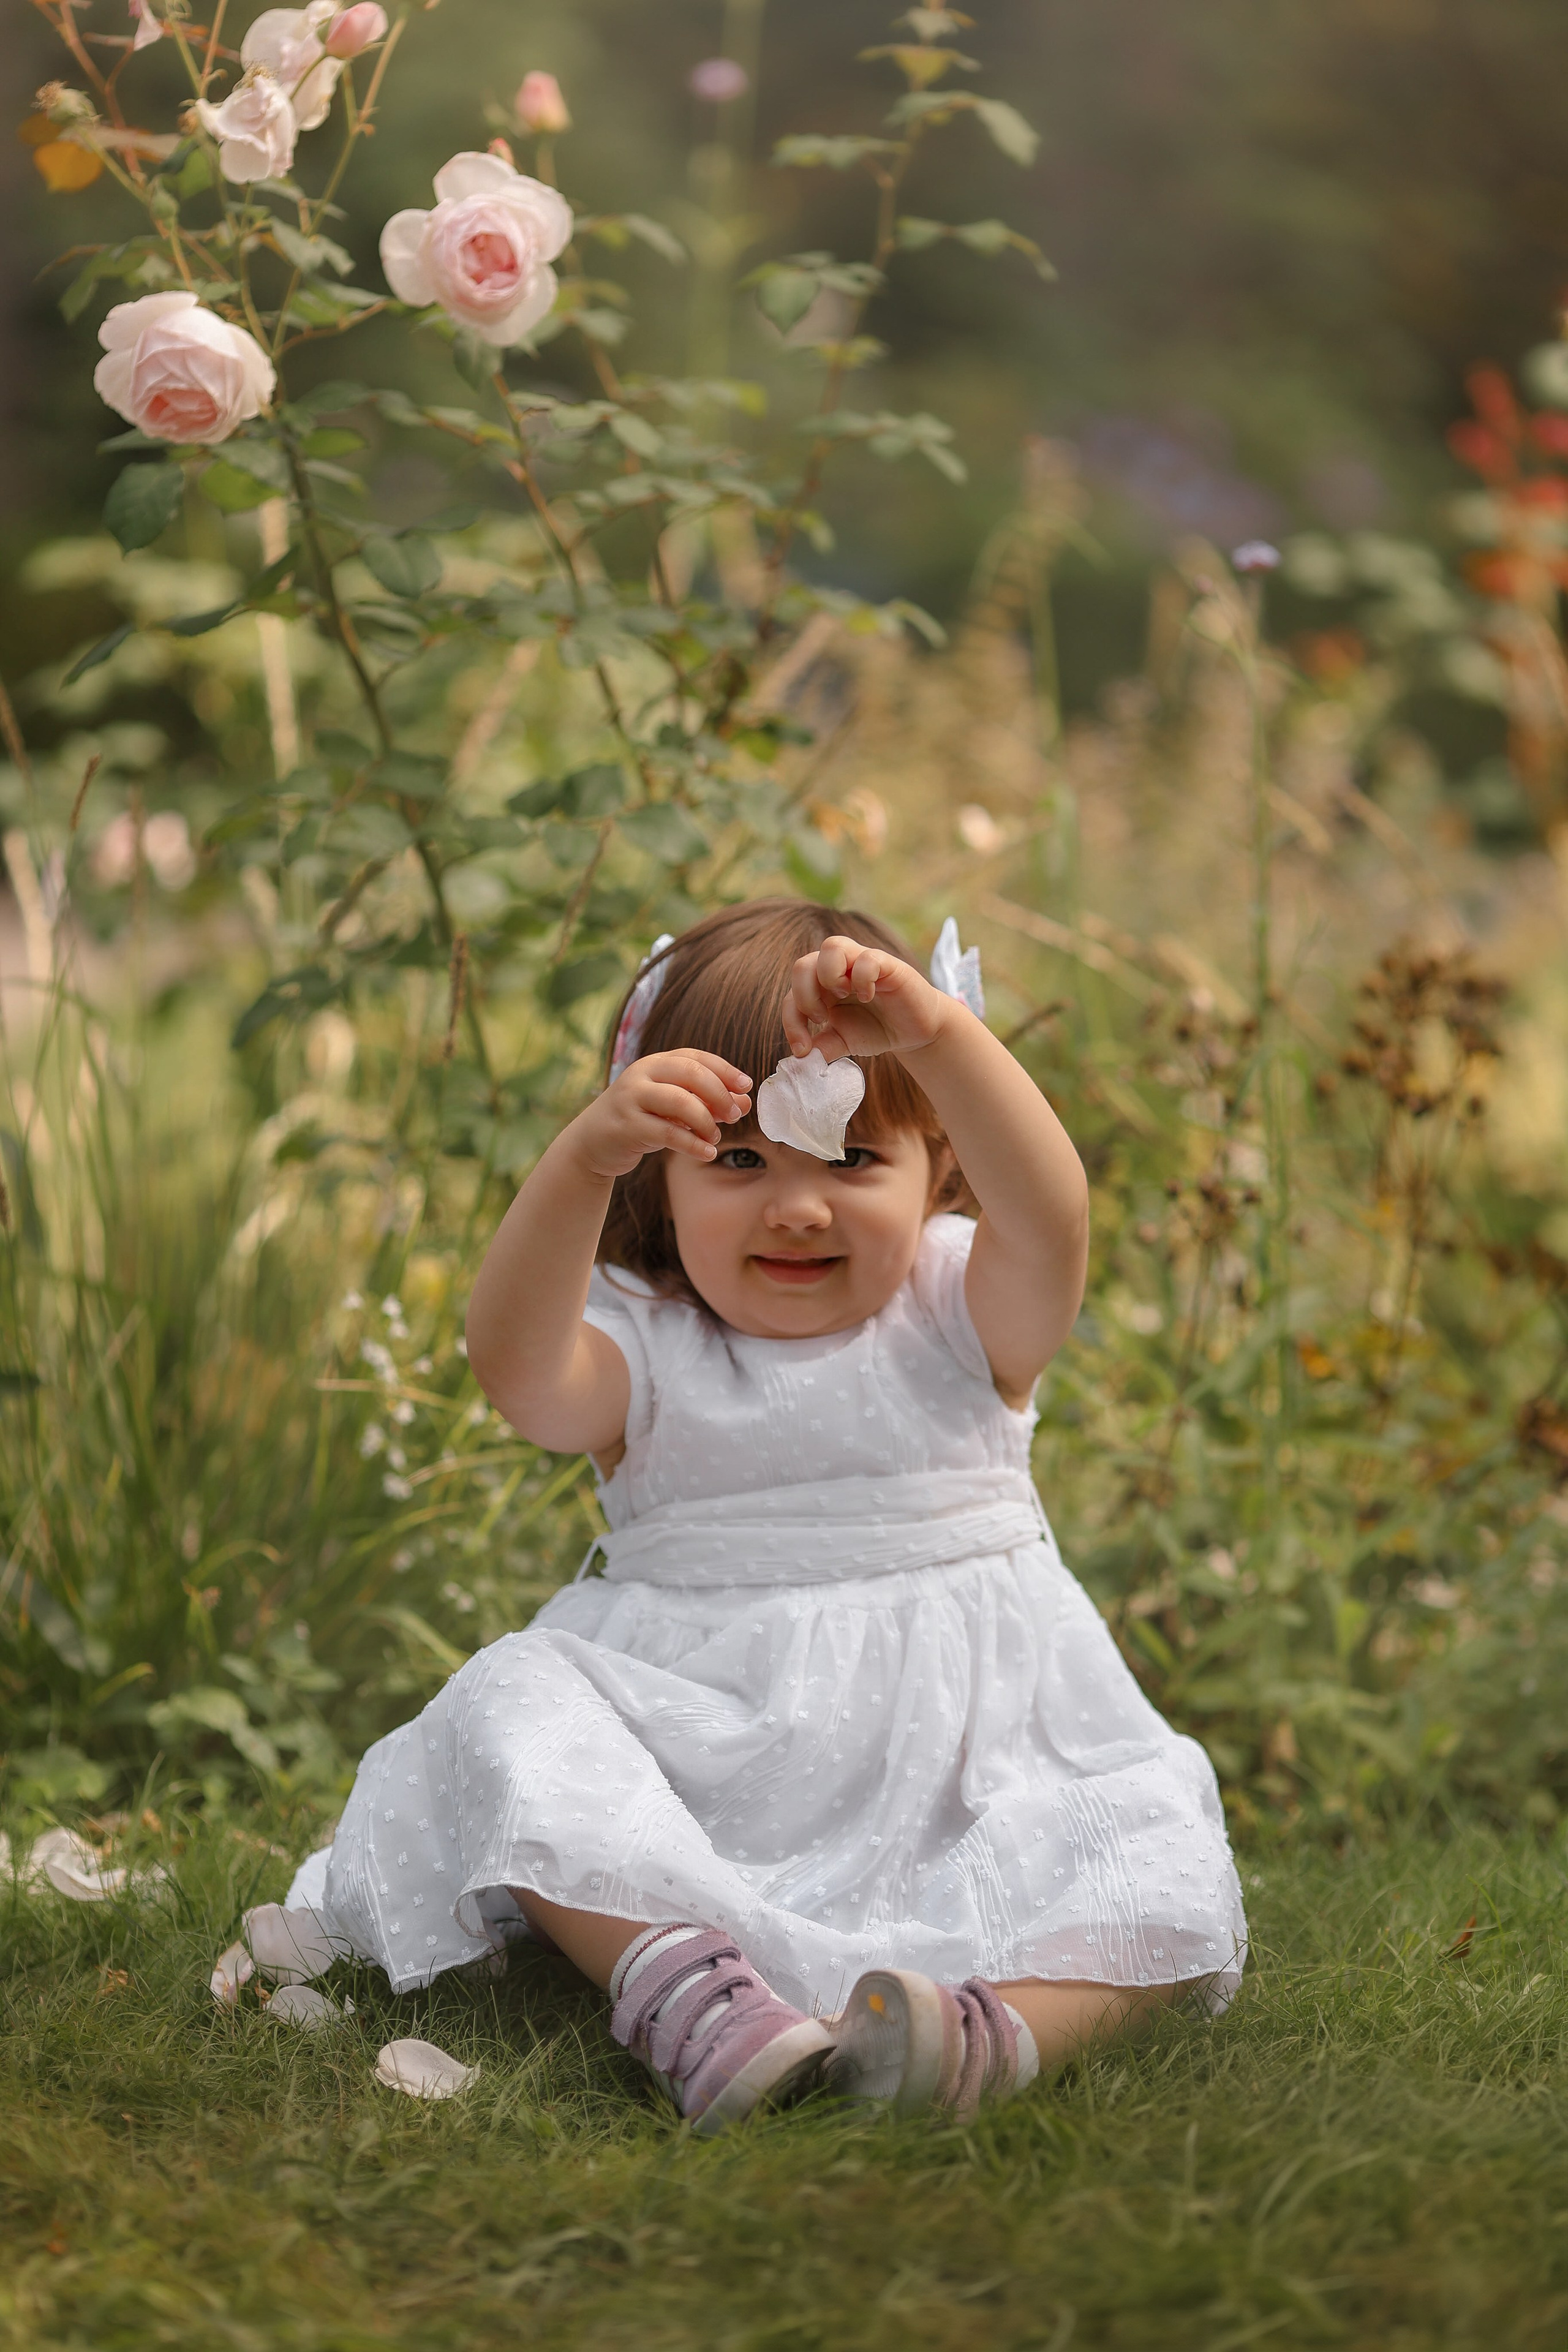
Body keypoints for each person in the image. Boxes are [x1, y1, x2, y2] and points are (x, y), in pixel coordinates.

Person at [292, 899, 1246, 2134]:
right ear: (665, 1177)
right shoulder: (648, 1348)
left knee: (1149, 1819)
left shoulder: (965, 1316)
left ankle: (981, 2040)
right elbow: (515, 1372)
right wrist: (582, 1155)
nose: (797, 1208)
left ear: (937, 1167)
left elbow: (1052, 1215)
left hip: (965, 1762)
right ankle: (692, 1993)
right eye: (738, 1162)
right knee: (506, 1699)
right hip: (707, 1765)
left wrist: (937, 1037)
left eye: (852, 1160)